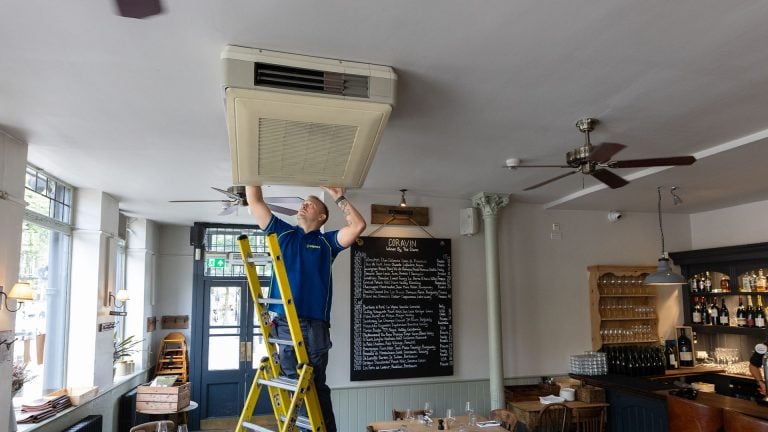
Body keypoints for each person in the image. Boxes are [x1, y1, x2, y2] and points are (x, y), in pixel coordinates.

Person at [246, 185, 366, 432]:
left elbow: (357, 226)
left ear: (321, 216)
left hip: (314, 326)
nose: (303, 205)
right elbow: (255, 201)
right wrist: (250, 172)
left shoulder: (326, 242)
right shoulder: (282, 232)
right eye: (304, 203)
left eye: (310, 204)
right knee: (293, 384)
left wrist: (338, 197)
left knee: (315, 385)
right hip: (283, 323)